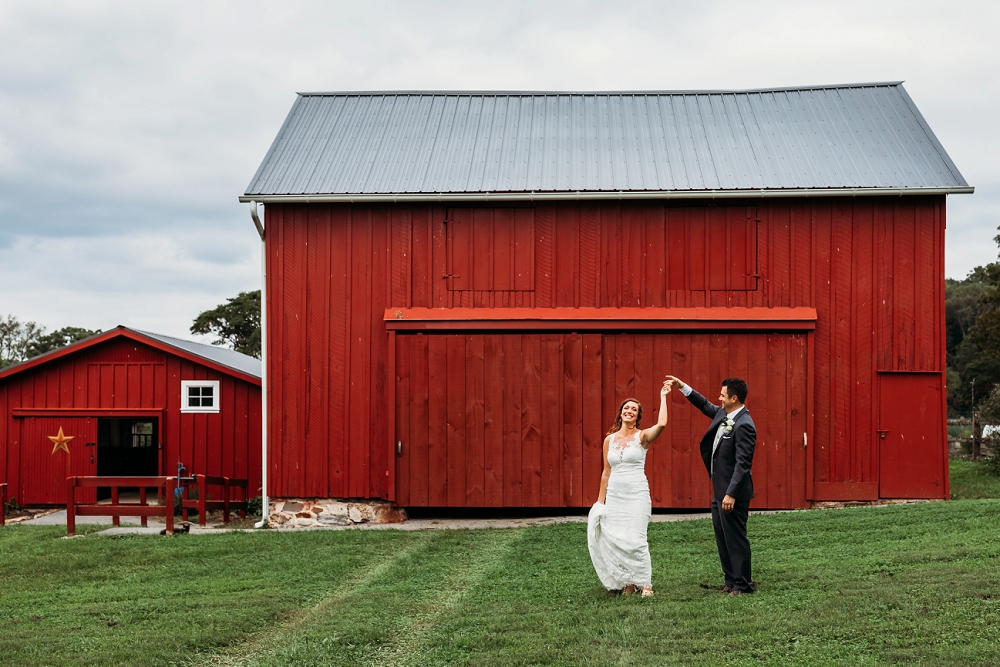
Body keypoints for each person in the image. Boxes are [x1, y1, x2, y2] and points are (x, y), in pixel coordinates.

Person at [666, 375, 756, 596]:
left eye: (723, 395)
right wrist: (682, 387)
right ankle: (731, 580)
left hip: (731, 494)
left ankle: (743, 585)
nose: (719, 398)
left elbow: (743, 464)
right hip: (719, 491)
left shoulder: (744, 424)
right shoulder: (725, 415)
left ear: (734, 398)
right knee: (723, 537)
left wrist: (731, 494)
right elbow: (704, 404)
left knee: (736, 538)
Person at [588, 380, 671, 597]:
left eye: (634, 409)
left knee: (636, 538)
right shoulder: (609, 440)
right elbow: (606, 472)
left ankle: (645, 584)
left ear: (637, 416)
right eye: (626, 408)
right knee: (617, 538)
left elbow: (661, 425)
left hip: (636, 495)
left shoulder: (642, 437)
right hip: (615, 496)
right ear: (620, 414)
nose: (630, 411)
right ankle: (628, 582)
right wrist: (600, 502)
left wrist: (663, 396)